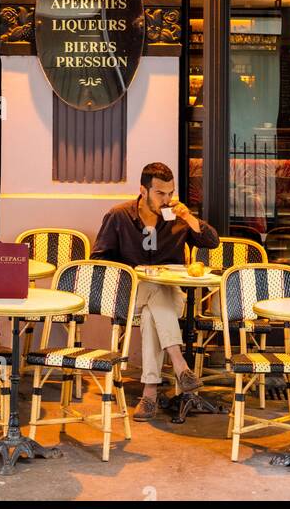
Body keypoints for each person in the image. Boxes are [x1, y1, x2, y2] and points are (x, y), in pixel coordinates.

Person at [92, 160, 219, 421]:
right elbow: (99, 260)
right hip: (132, 294)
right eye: (160, 193)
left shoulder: (176, 217)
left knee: (154, 312)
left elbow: (211, 241)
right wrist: (133, 272)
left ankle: (149, 394)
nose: (166, 199)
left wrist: (187, 216)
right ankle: (180, 363)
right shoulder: (120, 215)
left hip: (170, 297)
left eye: (171, 192)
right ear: (143, 190)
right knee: (151, 286)